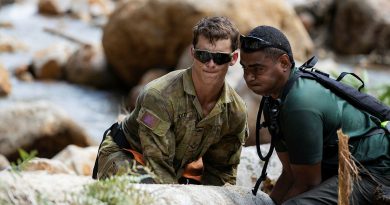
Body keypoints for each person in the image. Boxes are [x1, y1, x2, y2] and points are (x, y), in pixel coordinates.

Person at [239, 25, 390, 204]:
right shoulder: (273, 102)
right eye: (245, 68)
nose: (248, 77)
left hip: (376, 172)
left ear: (284, 63)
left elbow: (308, 184)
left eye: (257, 69)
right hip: (341, 168)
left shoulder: (300, 103)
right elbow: (290, 174)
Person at [93, 16, 248, 185]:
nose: (210, 64)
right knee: (148, 193)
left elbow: (222, 172)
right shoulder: (159, 96)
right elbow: (158, 166)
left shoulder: (235, 111)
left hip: (175, 167)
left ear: (233, 59)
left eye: (220, 58)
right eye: (203, 55)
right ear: (193, 53)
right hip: (126, 154)